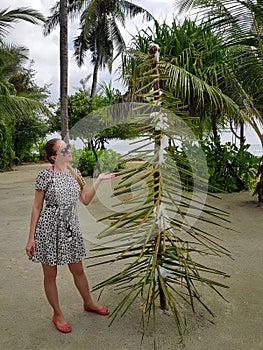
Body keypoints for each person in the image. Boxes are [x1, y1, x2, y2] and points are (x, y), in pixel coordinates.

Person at [25, 138, 116, 333]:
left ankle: (89, 302)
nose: (69, 150)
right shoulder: (44, 176)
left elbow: (85, 200)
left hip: (70, 229)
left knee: (78, 270)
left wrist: (98, 180)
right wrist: (31, 238)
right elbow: (37, 207)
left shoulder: (76, 174)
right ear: (54, 156)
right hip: (48, 229)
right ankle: (57, 313)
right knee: (51, 275)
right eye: (64, 148)